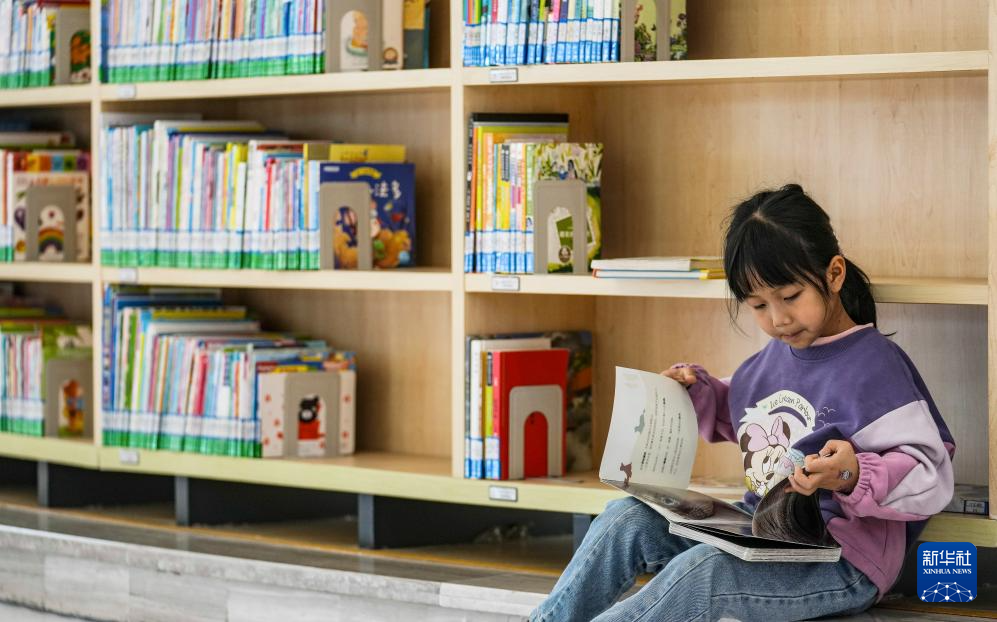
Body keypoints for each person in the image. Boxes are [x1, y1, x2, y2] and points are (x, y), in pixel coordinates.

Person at [529, 184, 956, 621]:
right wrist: (694, 391)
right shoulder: (773, 358)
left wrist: (852, 474)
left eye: (790, 297)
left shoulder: (875, 367)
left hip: (841, 560)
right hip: (759, 535)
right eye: (758, 305)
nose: (778, 319)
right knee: (627, 519)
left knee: (706, 572)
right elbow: (738, 413)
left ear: (834, 274)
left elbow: (930, 471)